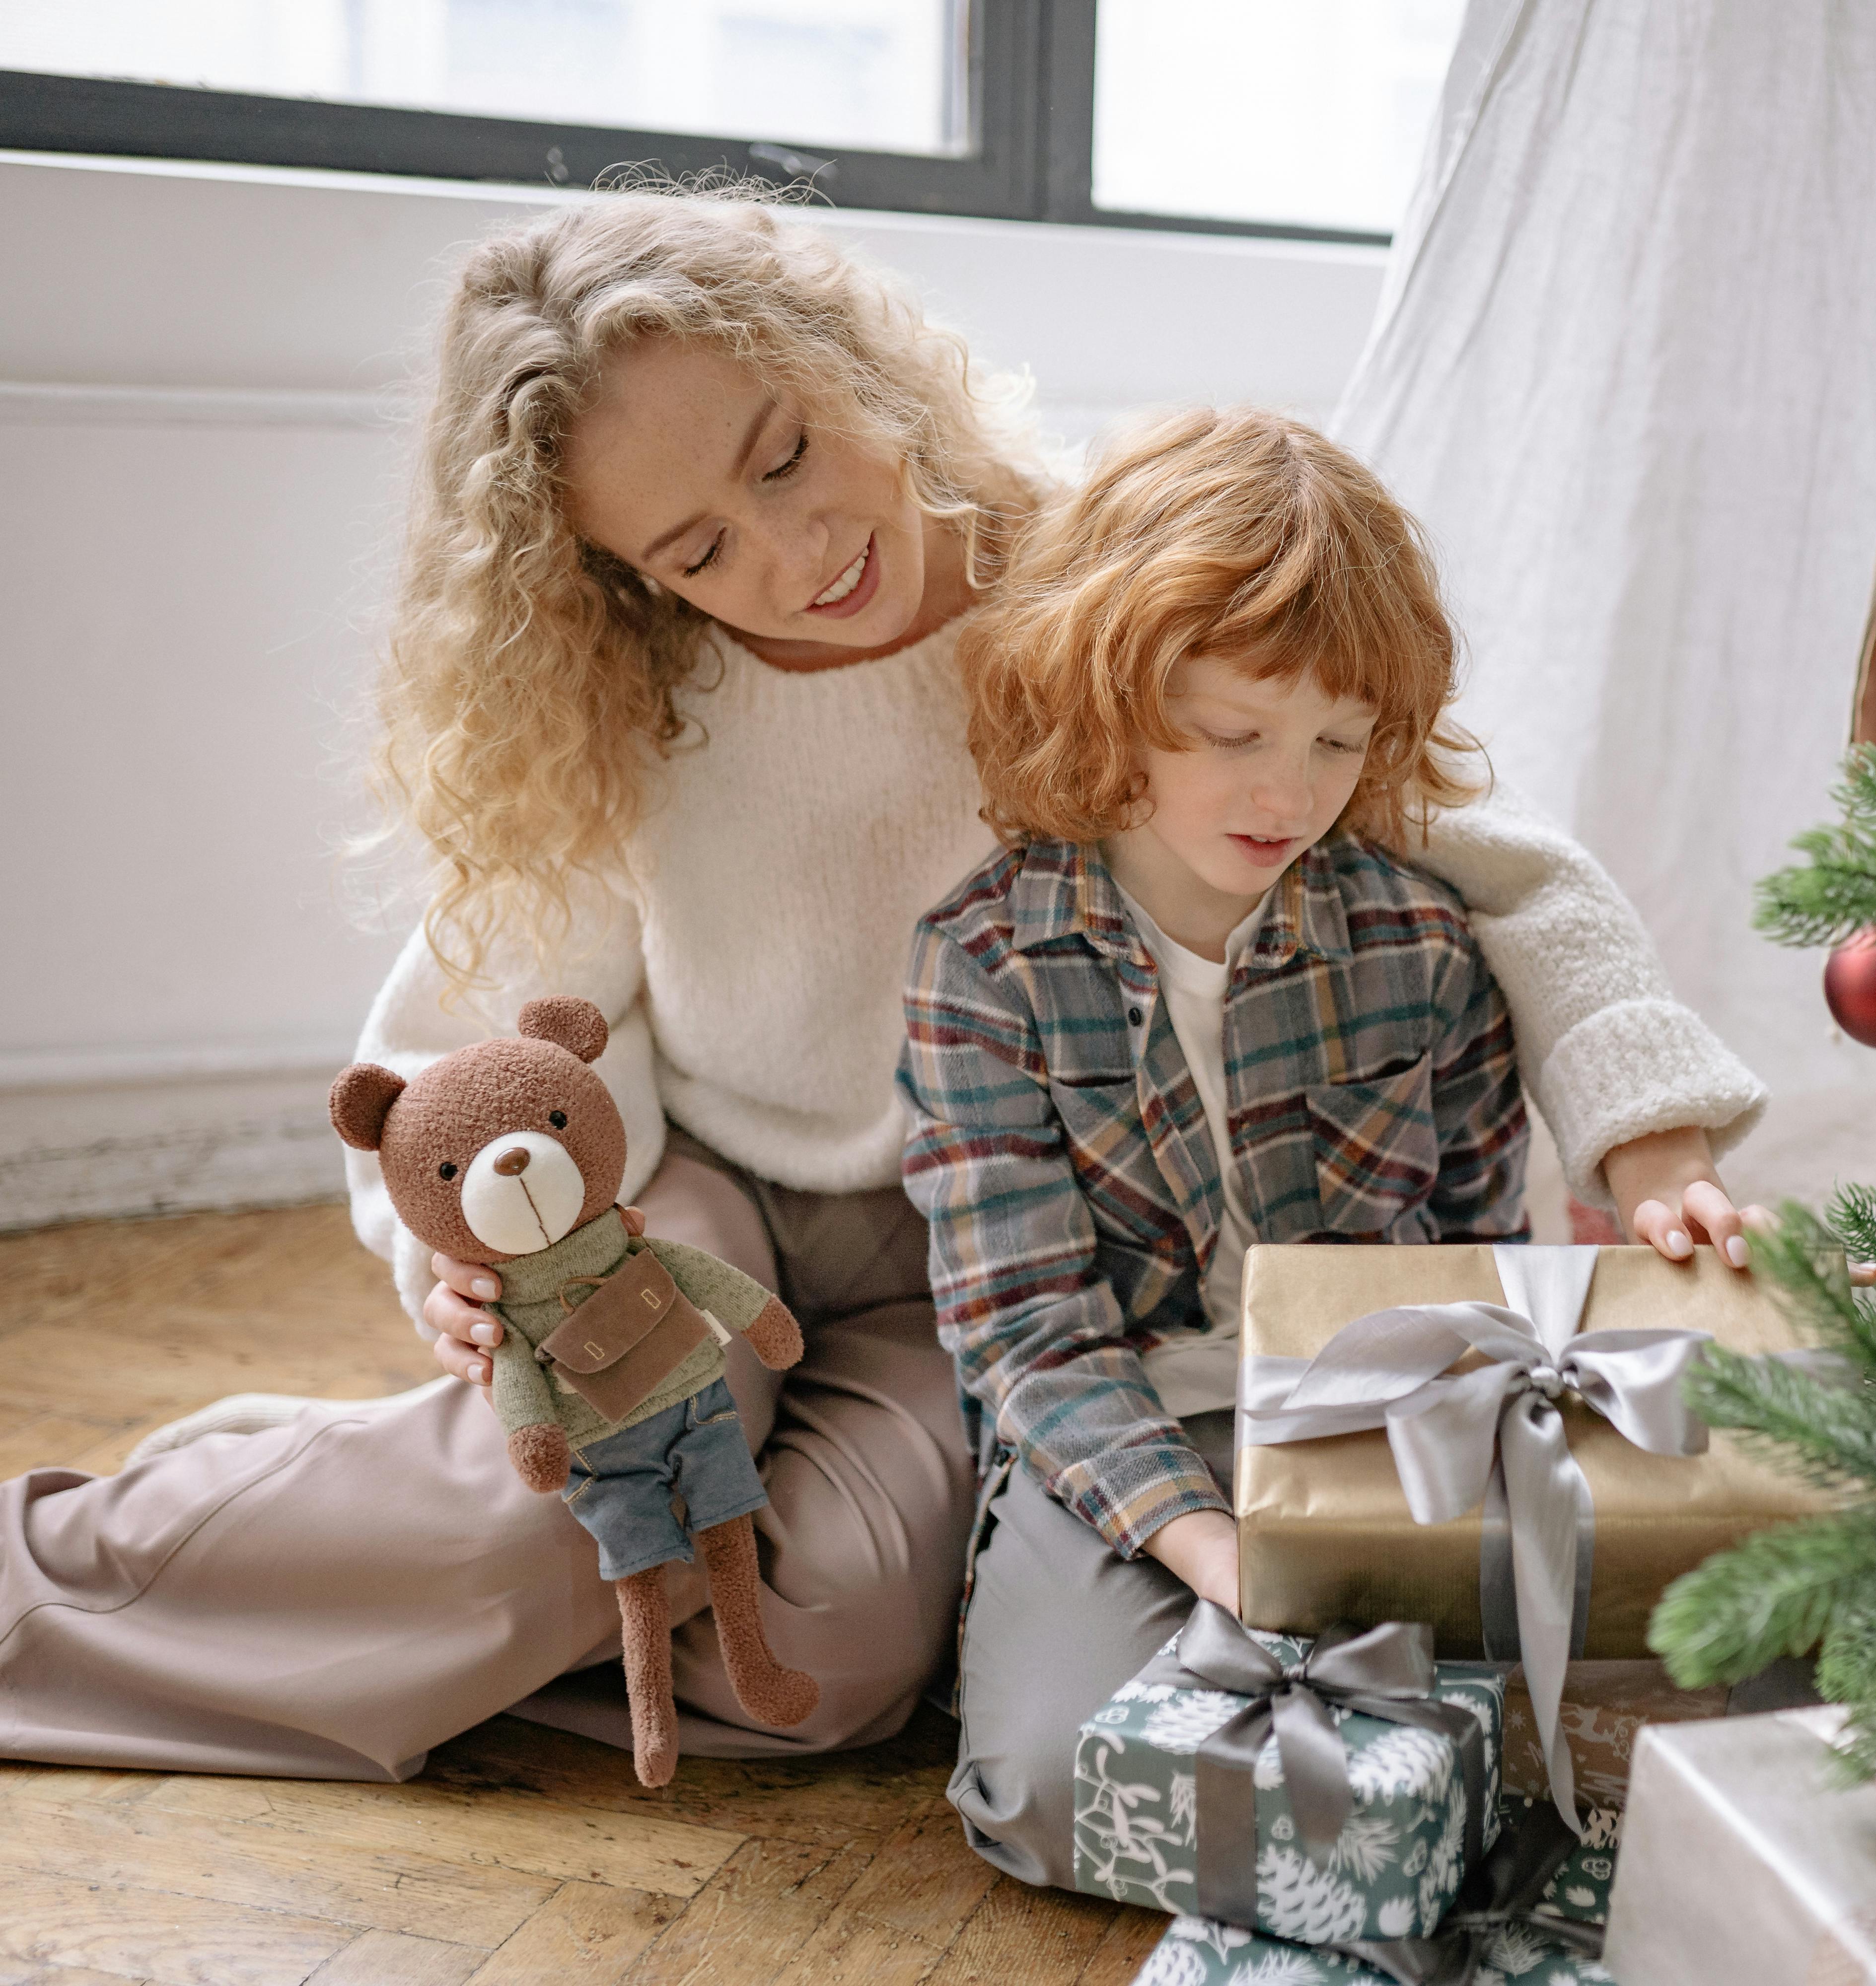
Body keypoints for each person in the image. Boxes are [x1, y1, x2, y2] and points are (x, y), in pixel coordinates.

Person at [0, 188, 1767, 1782]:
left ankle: (455, 1595)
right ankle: (65, 1580)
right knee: (573, 1511)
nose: (786, 558)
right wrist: (458, 1260)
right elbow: (466, 1053)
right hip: (710, 1200)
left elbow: (1501, 851)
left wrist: (1652, 1145)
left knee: (834, 1660)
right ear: (624, 581)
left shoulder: (1095, 571)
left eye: (783, 456)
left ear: (850, 361)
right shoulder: (630, 710)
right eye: (693, 548)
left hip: (985, 1249)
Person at [903, 409, 1537, 1880]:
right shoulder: (988, 962)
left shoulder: (1423, 945)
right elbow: (1028, 1341)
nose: (1290, 794)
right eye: (1236, 734)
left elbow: (1470, 1254)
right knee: (1052, 1791)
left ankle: (1407, 1832)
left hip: (1369, 1421)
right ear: (1111, 700)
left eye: (1336, 740)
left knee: (1584, 1687)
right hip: (1118, 1437)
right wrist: (1217, 1555)